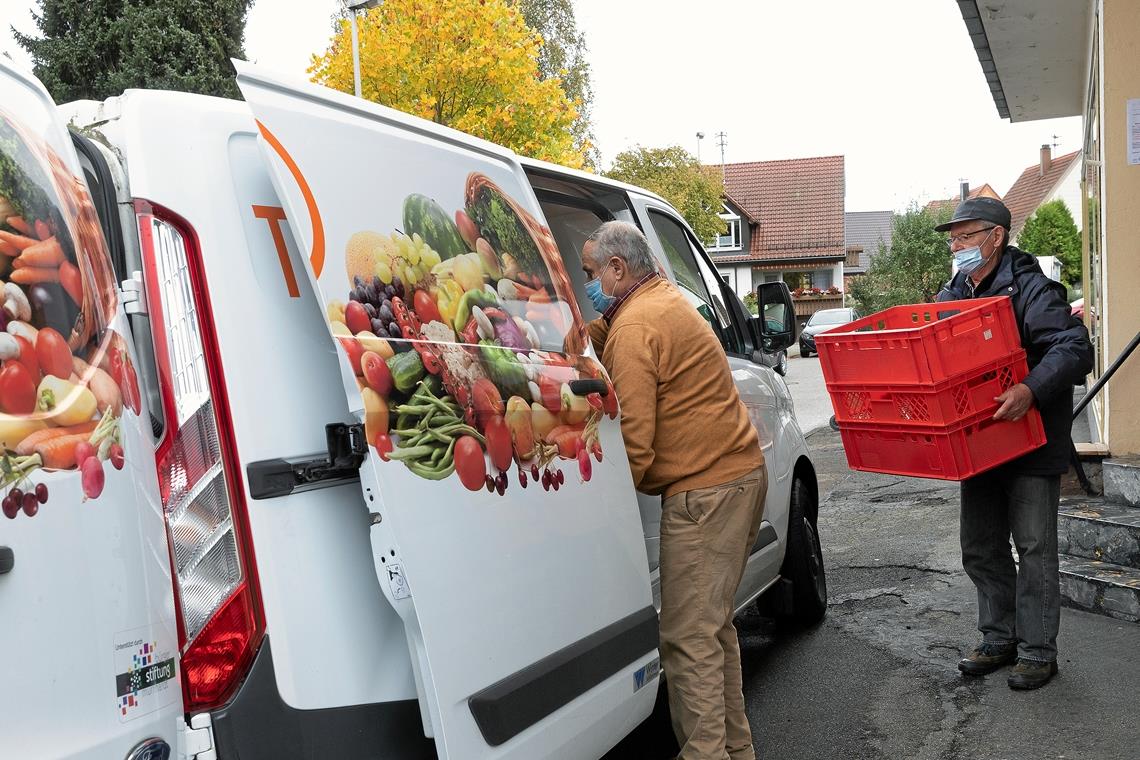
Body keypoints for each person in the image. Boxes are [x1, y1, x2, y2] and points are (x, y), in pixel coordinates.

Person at [581, 221, 766, 759]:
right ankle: (735, 751)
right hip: (736, 477)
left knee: (687, 642)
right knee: (714, 631)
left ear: (618, 269)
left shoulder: (637, 329)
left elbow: (634, 447)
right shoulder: (660, 299)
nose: (590, 284)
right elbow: (614, 331)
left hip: (704, 496)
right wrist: (579, 338)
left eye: (592, 273)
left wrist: (589, 507)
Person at [935, 197, 1092, 690]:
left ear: (996, 237)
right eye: (953, 238)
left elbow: (1074, 348)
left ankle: (1038, 651)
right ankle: (998, 637)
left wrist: (1030, 390)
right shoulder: (955, 290)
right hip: (978, 443)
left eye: (966, 236)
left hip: (1031, 440)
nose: (956, 246)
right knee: (980, 547)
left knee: (1034, 547)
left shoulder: (1033, 289)